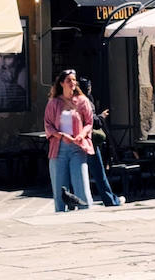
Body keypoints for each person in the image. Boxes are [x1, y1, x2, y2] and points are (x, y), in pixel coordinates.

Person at [43, 69, 95, 212]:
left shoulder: (82, 101)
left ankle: (85, 212)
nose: (72, 83)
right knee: (60, 188)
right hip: (59, 148)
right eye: (68, 80)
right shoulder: (53, 103)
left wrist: (82, 134)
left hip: (77, 147)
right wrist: (60, 135)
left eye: (74, 80)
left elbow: (89, 122)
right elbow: (48, 124)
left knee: (81, 184)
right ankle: (60, 214)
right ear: (61, 83)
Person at [77, 77, 124, 207]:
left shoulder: (74, 100)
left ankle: (77, 201)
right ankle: (110, 200)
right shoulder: (85, 101)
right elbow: (93, 121)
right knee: (98, 172)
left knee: (79, 172)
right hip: (88, 141)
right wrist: (102, 116)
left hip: (77, 140)